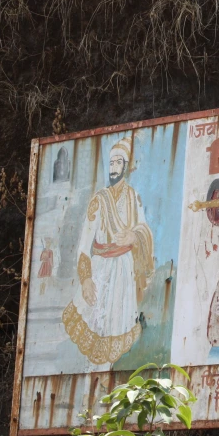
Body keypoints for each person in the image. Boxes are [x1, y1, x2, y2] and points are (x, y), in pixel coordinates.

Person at [62, 136, 154, 365]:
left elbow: (143, 229)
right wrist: (85, 279)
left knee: (117, 326)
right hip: (100, 269)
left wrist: (134, 236)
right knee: (95, 327)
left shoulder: (134, 197)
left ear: (125, 167)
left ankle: (108, 380)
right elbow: (84, 245)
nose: (113, 168)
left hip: (124, 272)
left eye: (117, 163)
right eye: (111, 163)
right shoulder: (99, 200)